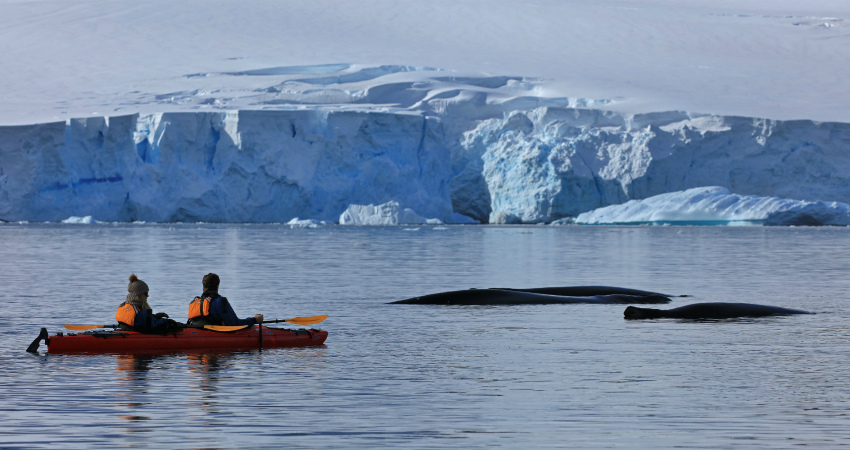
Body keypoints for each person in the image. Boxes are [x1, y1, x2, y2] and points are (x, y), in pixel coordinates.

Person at [187, 273, 264, 327]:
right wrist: (254, 320)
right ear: (217, 286)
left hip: (196, 333)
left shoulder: (194, 302)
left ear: (203, 286)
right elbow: (235, 324)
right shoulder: (220, 301)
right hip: (215, 335)